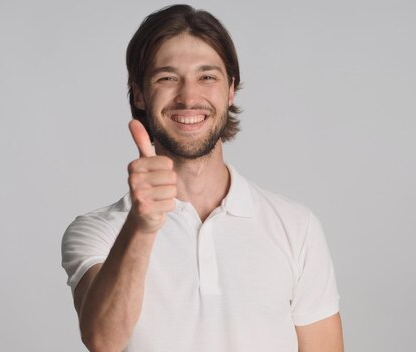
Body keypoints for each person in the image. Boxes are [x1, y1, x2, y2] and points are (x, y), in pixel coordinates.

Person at [61, 4, 343, 352]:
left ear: (230, 90)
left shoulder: (296, 227)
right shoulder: (97, 231)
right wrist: (142, 226)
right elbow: (103, 340)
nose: (189, 97)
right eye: (167, 77)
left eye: (207, 76)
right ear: (138, 94)